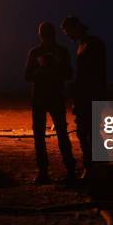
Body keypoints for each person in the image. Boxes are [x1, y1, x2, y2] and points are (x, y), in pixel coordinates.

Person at [25, 22, 76, 184]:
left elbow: (68, 74)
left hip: (48, 97)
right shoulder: (40, 52)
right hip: (47, 98)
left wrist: (53, 66)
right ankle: (62, 171)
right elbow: (27, 75)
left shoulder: (51, 52)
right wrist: (42, 69)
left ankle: (52, 172)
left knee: (49, 135)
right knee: (55, 134)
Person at [61, 15, 107, 178]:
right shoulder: (83, 44)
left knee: (91, 132)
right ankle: (94, 166)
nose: (68, 36)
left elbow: (97, 73)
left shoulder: (93, 44)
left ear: (76, 28)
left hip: (91, 95)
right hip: (84, 95)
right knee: (85, 132)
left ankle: (97, 167)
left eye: (68, 32)